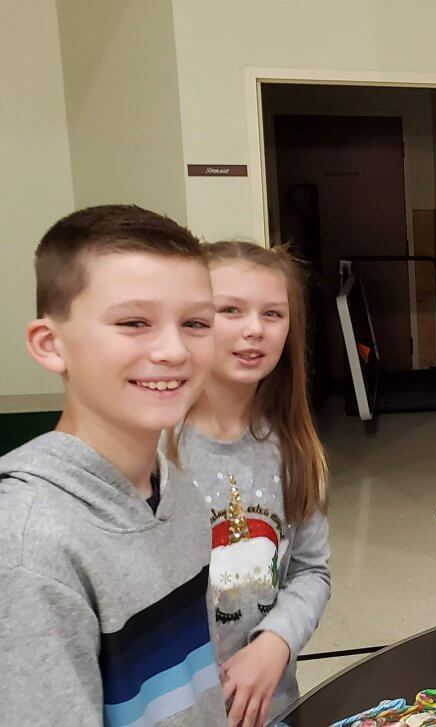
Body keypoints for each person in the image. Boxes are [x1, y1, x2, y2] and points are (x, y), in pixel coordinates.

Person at [0, 205, 227, 725]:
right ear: (50, 344)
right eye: (133, 322)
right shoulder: (27, 547)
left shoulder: (178, 491)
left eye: (195, 323)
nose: (172, 350)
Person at [169, 242, 331, 726]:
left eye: (272, 313)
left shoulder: (298, 449)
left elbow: (311, 572)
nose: (254, 329)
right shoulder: (157, 449)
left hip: (271, 708)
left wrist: (275, 643)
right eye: (230, 310)